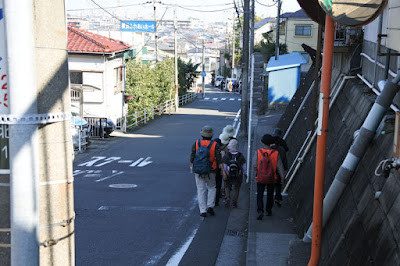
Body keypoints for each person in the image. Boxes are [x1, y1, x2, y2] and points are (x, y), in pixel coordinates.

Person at [190, 125, 226, 217]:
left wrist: (192, 167)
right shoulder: (215, 144)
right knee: (212, 187)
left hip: (198, 170)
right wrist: (223, 171)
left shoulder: (197, 143)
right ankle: (210, 205)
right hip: (211, 170)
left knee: (201, 189)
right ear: (211, 135)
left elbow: (192, 156)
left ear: (202, 134)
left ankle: (203, 210)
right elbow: (219, 159)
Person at [253, 134, 285, 220]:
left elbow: (254, 165)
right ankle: (268, 210)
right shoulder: (275, 153)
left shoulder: (258, 152)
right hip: (272, 177)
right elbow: (279, 166)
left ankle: (260, 210)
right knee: (270, 194)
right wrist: (282, 177)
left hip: (260, 177)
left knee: (259, 194)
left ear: (263, 142)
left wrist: (257, 172)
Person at [222, 139, 246, 208]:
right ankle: (234, 203)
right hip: (238, 175)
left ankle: (227, 197)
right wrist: (245, 174)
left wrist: (224, 173)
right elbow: (244, 167)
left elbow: (224, 166)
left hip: (228, 175)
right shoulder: (241, 155)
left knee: (227, 186)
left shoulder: (227, 155)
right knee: (236, 188)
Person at [271, 128, 289, 207]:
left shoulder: (270, 143)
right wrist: (285, 169)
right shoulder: (282, 144)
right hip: (280, 166)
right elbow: (285, 154)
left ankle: (270, 199)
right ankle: (277, 198)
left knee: (271, 184)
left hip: (271, 166)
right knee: (279, 184)